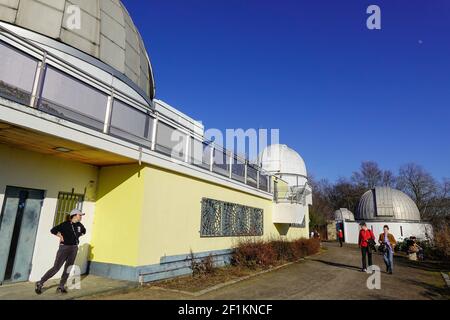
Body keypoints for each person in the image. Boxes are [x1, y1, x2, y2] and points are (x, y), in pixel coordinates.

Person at [35, 209, 86, 295]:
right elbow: (53, 230)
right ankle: (40, 283)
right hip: (64, 248)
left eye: (81, 215)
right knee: (56, 267)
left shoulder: (80, 225)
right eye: (80, 215)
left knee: (68, 268)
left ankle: (61, 286)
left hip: (74, 248)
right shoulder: (65, 224)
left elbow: (84, 231)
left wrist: (78, 236)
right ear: (74, 215)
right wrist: (60, 236)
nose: (81, 217)